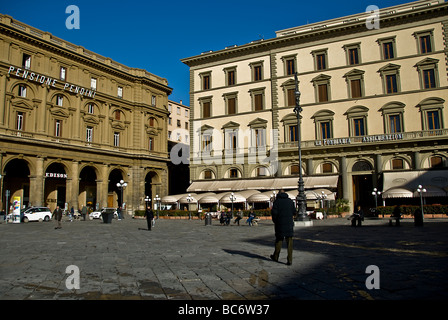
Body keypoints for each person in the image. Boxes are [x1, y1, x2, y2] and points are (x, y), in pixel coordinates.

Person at [270, 190, 295, 265]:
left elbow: (274, 213)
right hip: (289, 224)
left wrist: (275, 221)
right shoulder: (290, 201)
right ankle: (289, 259)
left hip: (279, 224)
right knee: (290, 242)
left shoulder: (277, 202)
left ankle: (276, 256)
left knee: (279, 240)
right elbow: (294, 212)